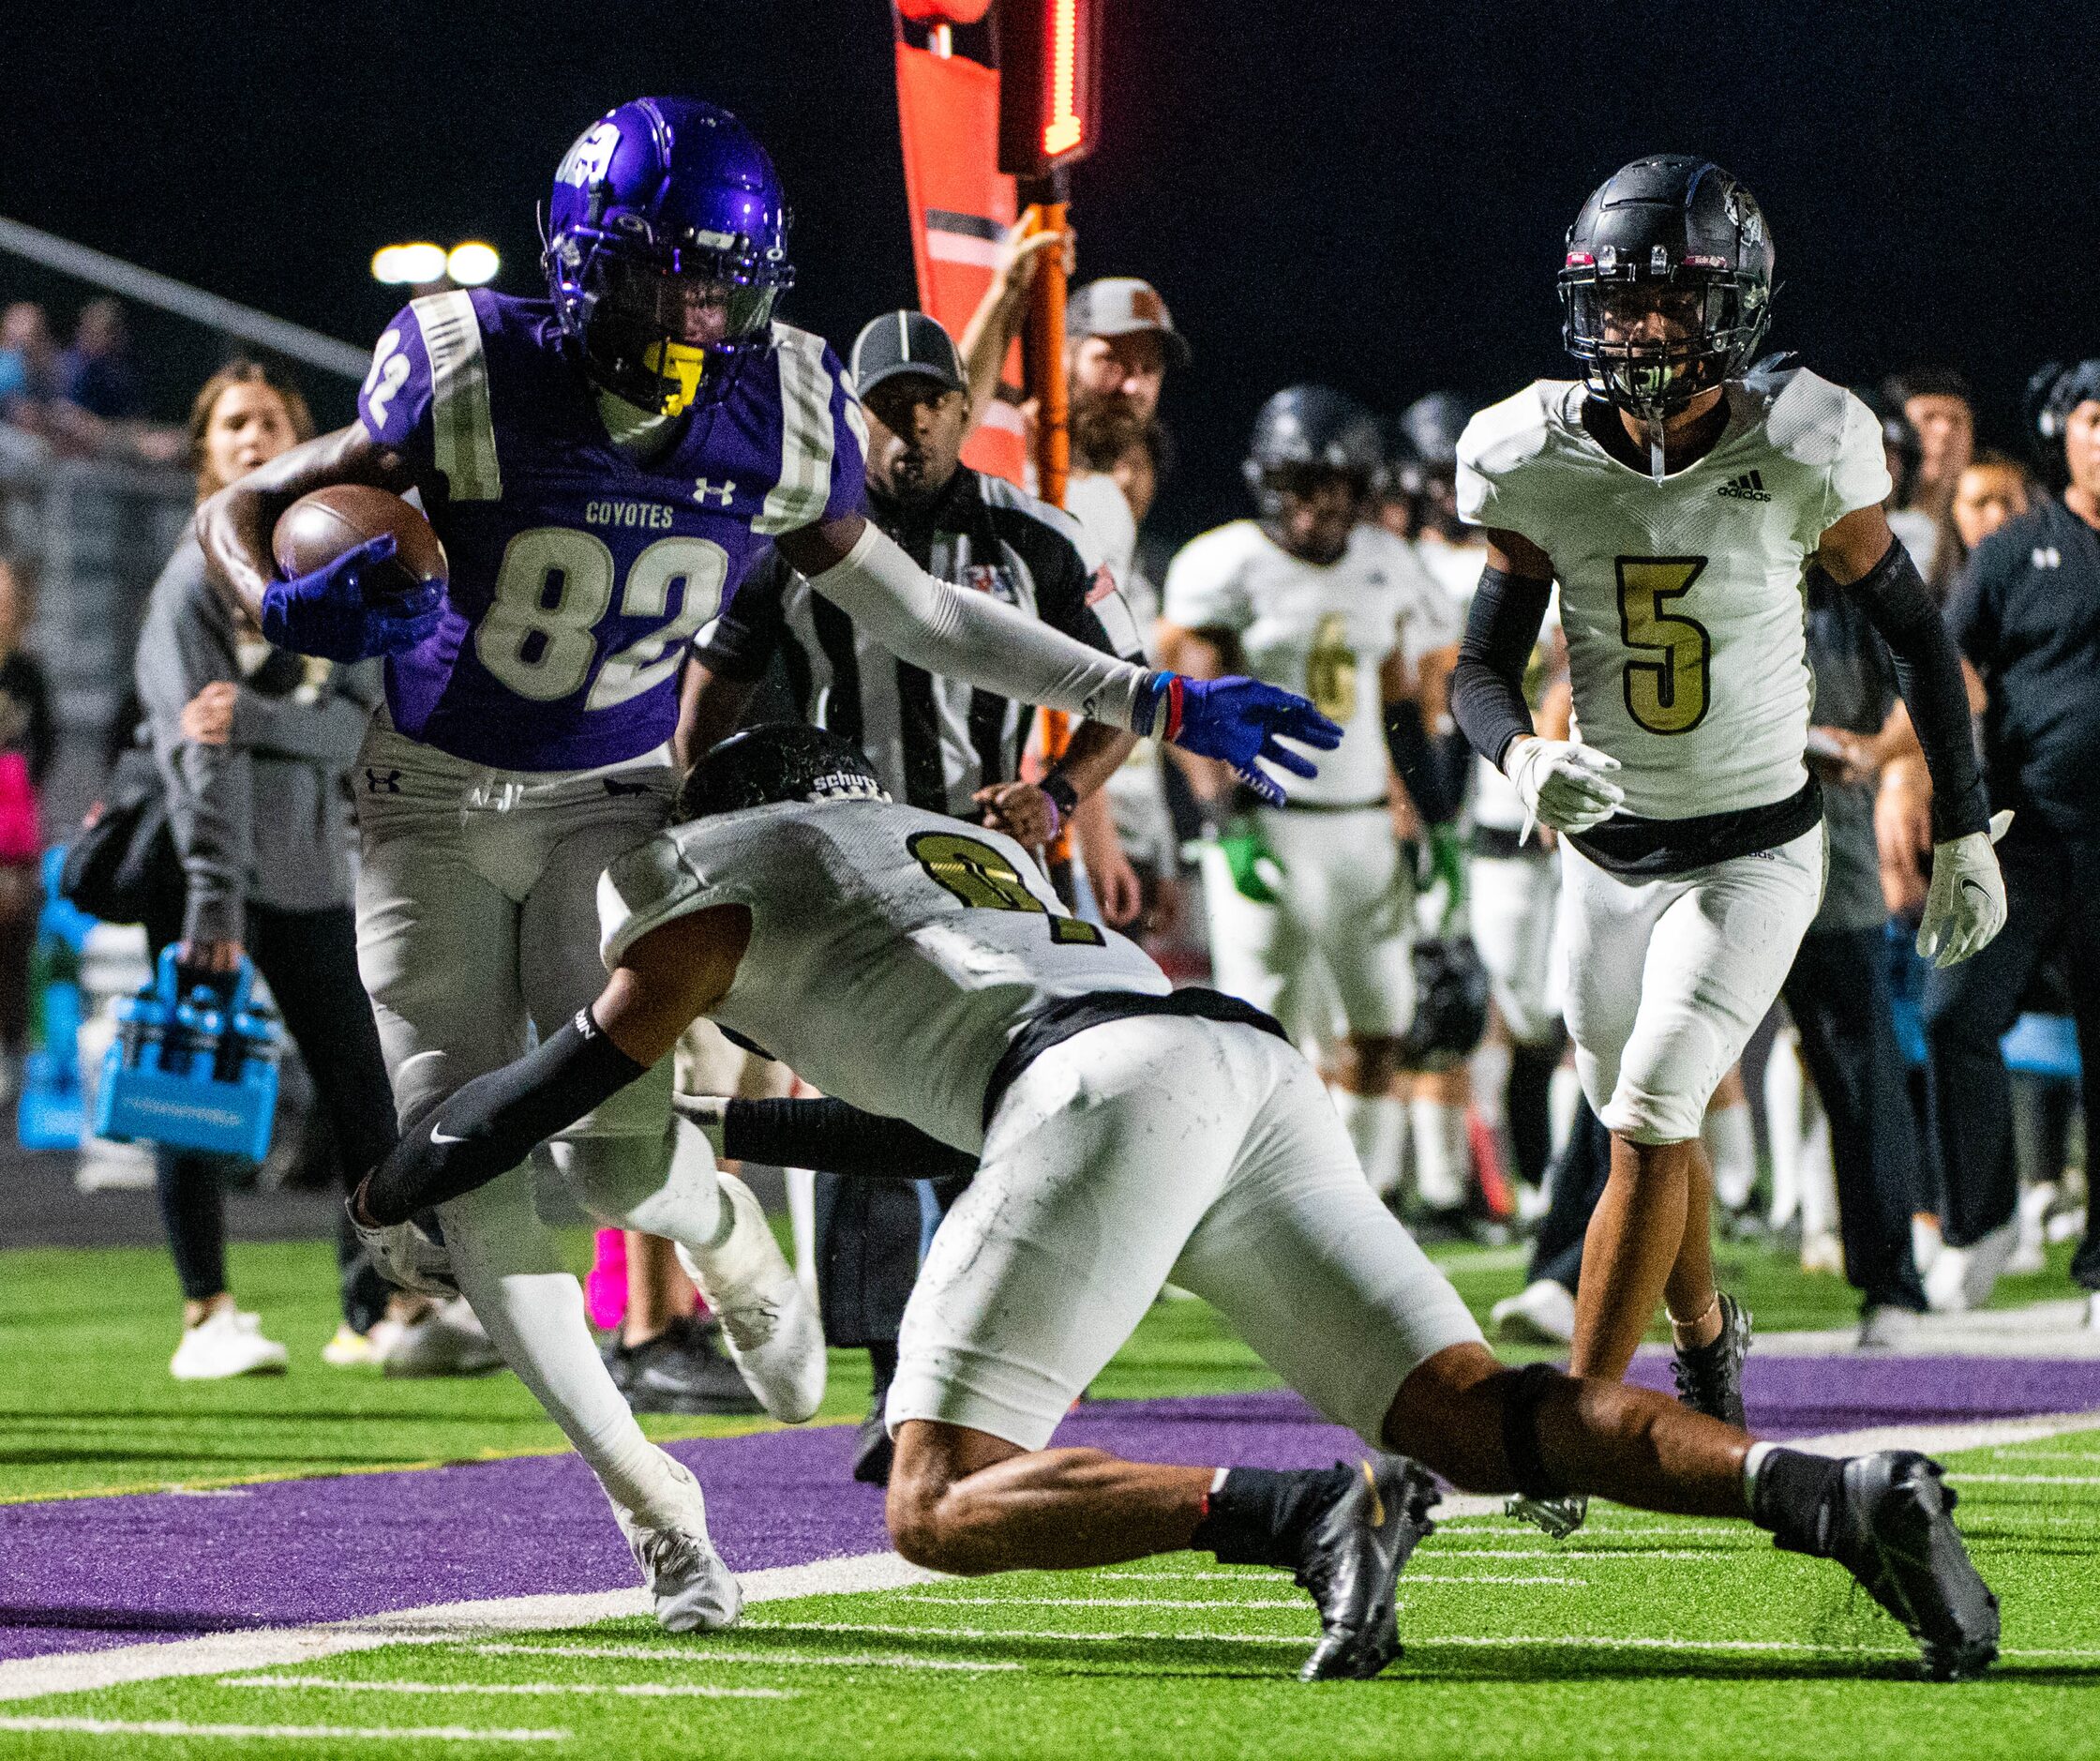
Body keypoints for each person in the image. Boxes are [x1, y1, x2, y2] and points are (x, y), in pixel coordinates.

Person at [194, 96, 1336, 1631]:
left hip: (611, 791)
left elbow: (923, 615)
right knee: (477, 1183)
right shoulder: (467, 360)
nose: (699, 307)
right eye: (667, 272)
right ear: (582, 265)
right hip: (424, 797)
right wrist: (289, 597)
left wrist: (1150, 697)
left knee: (604, 1154)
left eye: (727, 273)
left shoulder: (786, 403)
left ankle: (722, 1222)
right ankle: (654, 1502)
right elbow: (243, 513)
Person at [350, 722, 2002, 1685]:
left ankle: (1299, 1517)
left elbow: (574, 1068)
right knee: (1478, 1414)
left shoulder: (733, 860)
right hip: (1221, 1063)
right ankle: (1835, 1487)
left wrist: (407, 1166)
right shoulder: (941, 848)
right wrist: (747, 1126)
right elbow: (951, 1114)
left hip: (1098, 1088)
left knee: (933, 1498)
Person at [1448, 156, 2004, 1536]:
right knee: (1641, 1110)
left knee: (1650, 1111)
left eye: (1668, 301)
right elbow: (1477, 669)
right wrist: (1522, 752)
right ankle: (1704, 1344)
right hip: (1605, 850)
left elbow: (1919, 642)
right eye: (1617, 303)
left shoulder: (1808, 439)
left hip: (1757, 848)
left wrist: (1966, 822)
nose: (1638, 329)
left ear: (1736, 308)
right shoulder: (1531, 450)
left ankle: (1572, 1429)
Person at [677, 308, 1145, 1476]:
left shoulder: (1033, 534)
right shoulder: (798, 540)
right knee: (872, 1120)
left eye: (932, 400)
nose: (914, 424)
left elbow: (1124, 691)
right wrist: (705, 823)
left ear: (962, 406)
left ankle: (978, 1371)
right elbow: (710, 695)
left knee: (999, 1120)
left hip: (993, 875)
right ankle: (898, 1391)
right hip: (851, 878)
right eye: (889, 404)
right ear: (852, 413)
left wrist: (1054, 791)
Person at [135, 359, 472, 1378]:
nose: (251, 436)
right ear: (206, 451)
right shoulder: (191, 580)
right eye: (233, 422)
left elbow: (363, 728)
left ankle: (378, 1310)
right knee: (191, 1095)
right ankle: (207, 1317)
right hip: (208, 879)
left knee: (365, 1099)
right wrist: (210, 896)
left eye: (271, 419)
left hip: (316, 872)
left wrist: (263, 718)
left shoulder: (333, 566)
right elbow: (187, 742)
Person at [1158, 385, 1464, 1214]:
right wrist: (1225, 824)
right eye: (1301, 482)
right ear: (1269, 480)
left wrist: (1436, 823)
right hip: (1271, 824)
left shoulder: (1384, 564)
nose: (1318, 504)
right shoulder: (1226, 565)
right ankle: (1254, 1203)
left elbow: (1401, 705)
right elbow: (1195, 712)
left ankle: (1361, 1204)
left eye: (1335, 485)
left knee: (1382, 1025)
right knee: (1259, 1032)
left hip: (1364, 825)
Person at [1904, 361, 2100, 1321]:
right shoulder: (2014, 549)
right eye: (2095, 420)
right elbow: (1942, 671)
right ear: (2061, 431)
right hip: (2019, 831)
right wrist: (1914, 777)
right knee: (1949, 1011)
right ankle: (1979, 1222)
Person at [0, 553, 51, 1094]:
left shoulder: (24, 672)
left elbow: (47, 744)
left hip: (9, 836)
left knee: (11, 943)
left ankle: (9, 1050)